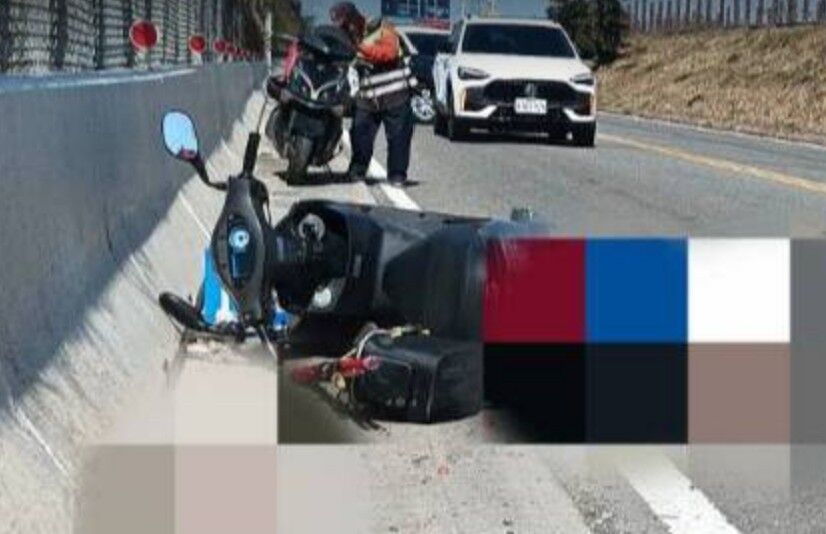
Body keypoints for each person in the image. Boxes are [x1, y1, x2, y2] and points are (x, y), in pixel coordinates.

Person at [330, 2, 416, 186]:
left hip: (395, 94)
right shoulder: (347, 39)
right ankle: (357, 171)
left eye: (347, 25)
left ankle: (397, 175)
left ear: (355, 20)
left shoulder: (382, 28)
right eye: (342, 27)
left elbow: (388, 53)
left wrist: (360, 48)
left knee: (398, 138)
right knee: (360, 134)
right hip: (368, 97)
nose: (346, 29)